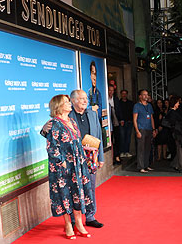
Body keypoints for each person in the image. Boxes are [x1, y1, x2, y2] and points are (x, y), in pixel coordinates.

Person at [41, 90, 105, 228]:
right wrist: (44, 129)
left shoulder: (92, 114)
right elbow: (48, 133)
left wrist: (101, 157)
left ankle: (90, 216)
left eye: (85, 98)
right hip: (71, 161)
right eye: (81, 98)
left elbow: (99, 135)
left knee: (89, 187)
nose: (85, 100)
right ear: (74, 101)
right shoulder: (66, 116)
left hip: (89, 157)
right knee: (73, 189)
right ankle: (74, 220)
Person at [46, 95, 94, 239]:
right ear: (58, 106)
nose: (69, 104)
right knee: (65, 195)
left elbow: (77, 142)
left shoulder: (72, 121)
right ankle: (68, 225)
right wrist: (63, 163)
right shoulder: (54, 123)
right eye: (66, 102)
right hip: (63, 168)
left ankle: (79, 223)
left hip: (78, 165)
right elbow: (52, 147)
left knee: (78, 193)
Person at [133, 90, 157, 173]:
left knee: (148, 148)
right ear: (140, 96)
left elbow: (151, 118)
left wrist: (154, 129)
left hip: (149, 129)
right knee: (141, 149)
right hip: (141, 129)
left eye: (147, 94)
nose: (146, 96)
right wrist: (137, 131)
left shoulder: (149, 106)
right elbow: (134, 119)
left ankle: (146, 165)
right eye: (144, 95)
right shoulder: (137, 106)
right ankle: (140, 166)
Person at [167, 96, 182, 173]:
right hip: (178, 133)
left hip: (177, 132)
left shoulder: (172, 112)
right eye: (177, 102)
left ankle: (176, 164)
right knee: (181, 149)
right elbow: (174, 122)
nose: (179, 104)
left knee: (180, 149)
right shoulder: (172, 113)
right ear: (174, 103)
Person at [118, 90, 134, 158]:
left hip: (129, 122)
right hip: (122, 122)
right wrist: (120, 120)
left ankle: (127, 151)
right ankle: (122, 152)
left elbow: (132, 112)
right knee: (122, 137)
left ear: (127, 94)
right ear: (121, 94)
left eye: (125, 94)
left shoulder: (130, 103)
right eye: (122, 94)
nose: (124, 95)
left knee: (128, 137)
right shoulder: (118, 103)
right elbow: (118, 112)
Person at [108, 84, 122, 165]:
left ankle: (117, 156)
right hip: (108, 122)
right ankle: (112, 157)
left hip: (116, 122)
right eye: (110, 90)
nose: (111, 92)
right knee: (110, 141)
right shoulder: (105, 98)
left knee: (118, 139)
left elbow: (119, 110)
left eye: (112, 90)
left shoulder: (116, 99)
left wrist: (121, 119)